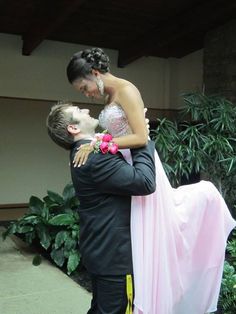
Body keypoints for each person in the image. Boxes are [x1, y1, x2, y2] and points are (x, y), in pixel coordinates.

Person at [65, 47, 236, 314]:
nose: (86, 94)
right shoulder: (110, 94)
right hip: (124, 163)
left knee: (155, 232)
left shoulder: (127, 90)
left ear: (95, 73)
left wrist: (99, 144)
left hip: (141, 163)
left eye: (83, 87)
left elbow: (141, 138)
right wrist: (102, 143)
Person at [46, 102, 156, 314]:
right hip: (113, 256)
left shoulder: (86, 151)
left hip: (101, 249)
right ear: (73, 128)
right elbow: (145, 182)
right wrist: (143, 140)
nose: (86, 110)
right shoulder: (94, 157)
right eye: (79, 111)